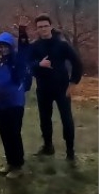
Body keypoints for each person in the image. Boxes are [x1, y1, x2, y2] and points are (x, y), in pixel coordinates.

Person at [27, 14, 84, 162]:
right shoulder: (34, 46)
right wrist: (39, 64)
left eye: (46, 26)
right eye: (40, 27)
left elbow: (77, 63)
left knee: (66, 120)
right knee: (45, 119)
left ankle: (70, 152)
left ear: (51, 27)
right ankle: (48, 147)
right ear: (37, 29)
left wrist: (72, 83)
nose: (43, 29)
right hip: (43, 88)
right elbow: (27, 66)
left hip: (62, 89)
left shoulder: (62, 45)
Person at [0, 25, 31, 179]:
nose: (3, 49)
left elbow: (25, 49)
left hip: (15, 103)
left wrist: (22, 33)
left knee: (14, 133)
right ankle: (10, 162)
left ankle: (18, 165)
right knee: (4, 133)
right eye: (0, 46)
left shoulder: (17, 60)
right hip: (0, 103)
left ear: (11, 46)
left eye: (5, 46)